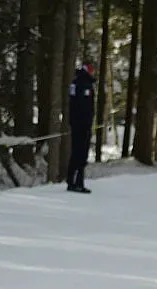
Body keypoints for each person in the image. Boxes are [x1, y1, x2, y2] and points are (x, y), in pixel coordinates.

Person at [66, 62, 95, 193]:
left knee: (76, 152)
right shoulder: (84, 85)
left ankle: (71, 180)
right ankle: (78, 182)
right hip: (82, 124)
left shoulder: (76, 83)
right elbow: (84, 107)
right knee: (81, 153)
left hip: (77, 123)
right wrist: (87, 122)